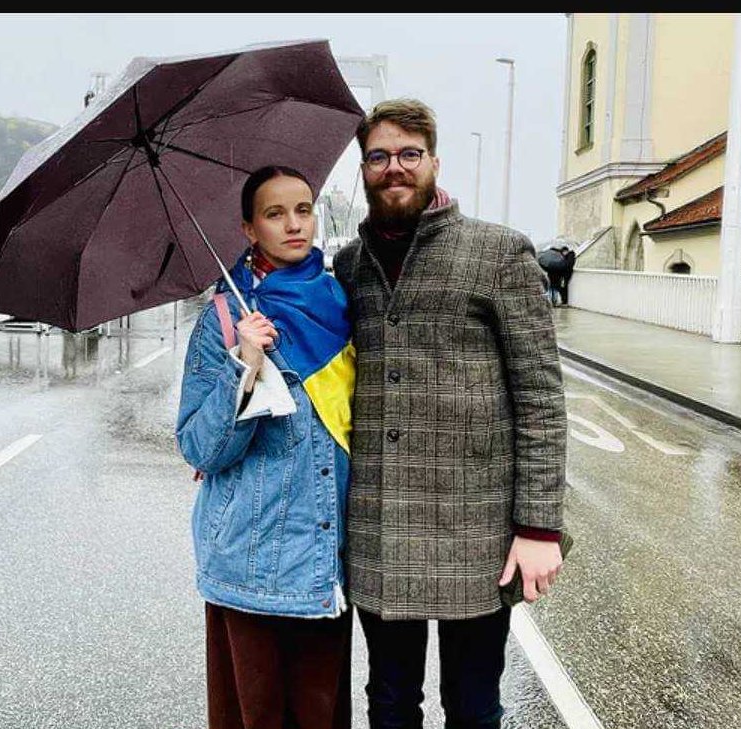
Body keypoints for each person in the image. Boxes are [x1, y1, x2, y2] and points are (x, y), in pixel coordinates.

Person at [332, 99, 568, 729]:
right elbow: (325, 384)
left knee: (471, 705)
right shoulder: (348, 266)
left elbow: (540, 397)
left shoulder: (497, 252)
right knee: (388, 701)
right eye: (378, 156)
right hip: (380, 525)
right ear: (363, 168)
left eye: (409, 154)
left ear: (434, 161)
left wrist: (540, 526)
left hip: (477, 529)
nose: (393, 168)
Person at [176, 165, 356, 729]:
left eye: (303, 210)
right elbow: (199, 448)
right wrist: (245, 366)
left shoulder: (341, 304)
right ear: (249, 229)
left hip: (324, 557)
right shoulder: (226, 319)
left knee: (320, 714)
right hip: (250, 561)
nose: (294, 224)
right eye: (275, 214)